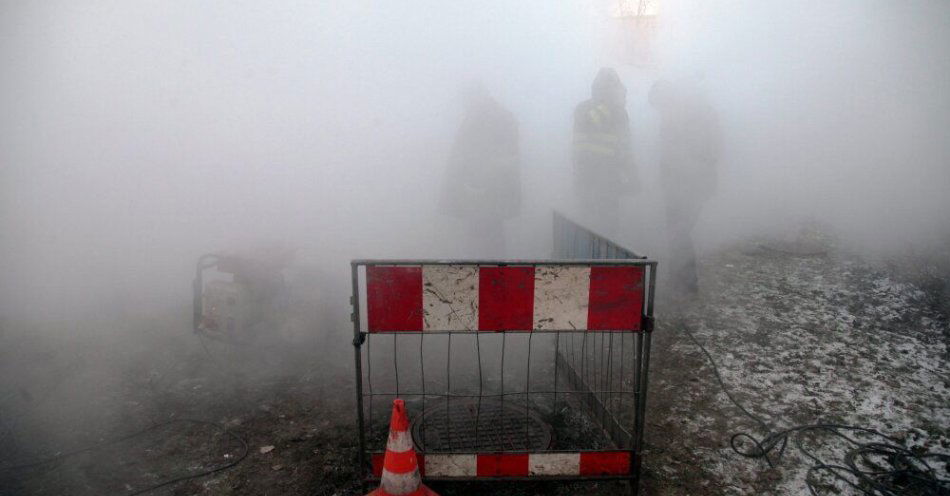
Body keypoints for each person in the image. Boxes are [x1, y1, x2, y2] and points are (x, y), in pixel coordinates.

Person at [648, 80, 721, 294]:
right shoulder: (681, 116)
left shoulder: (688, 118)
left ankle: (686, 284)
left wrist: (679, 178)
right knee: (678, 230)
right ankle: (679, 279)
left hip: (689, 184)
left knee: (679, 230)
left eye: (660, 104)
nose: (660, 110)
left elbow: (692, 153)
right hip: (682, 184)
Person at [440, 84, 521, 257]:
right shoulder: (491, 115)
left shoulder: (488, 117)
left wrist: (479, 182)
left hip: (483, 190)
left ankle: (490, 277)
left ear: (475, 96)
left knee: (485, 239)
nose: (465, 103)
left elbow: (484, 154)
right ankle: (491, 276)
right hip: (484, 189)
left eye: (467, 98)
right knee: (487, 237)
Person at [572, 67, 638, 236]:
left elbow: (625, 146)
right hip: (597, 177)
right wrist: (611, 105)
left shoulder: (585, 108)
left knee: (598, 225)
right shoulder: (602, 110)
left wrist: (631, 175)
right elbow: (589, 123)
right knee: (598, 226)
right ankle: (597, 259)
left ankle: (598, 259)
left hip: (597, 178)